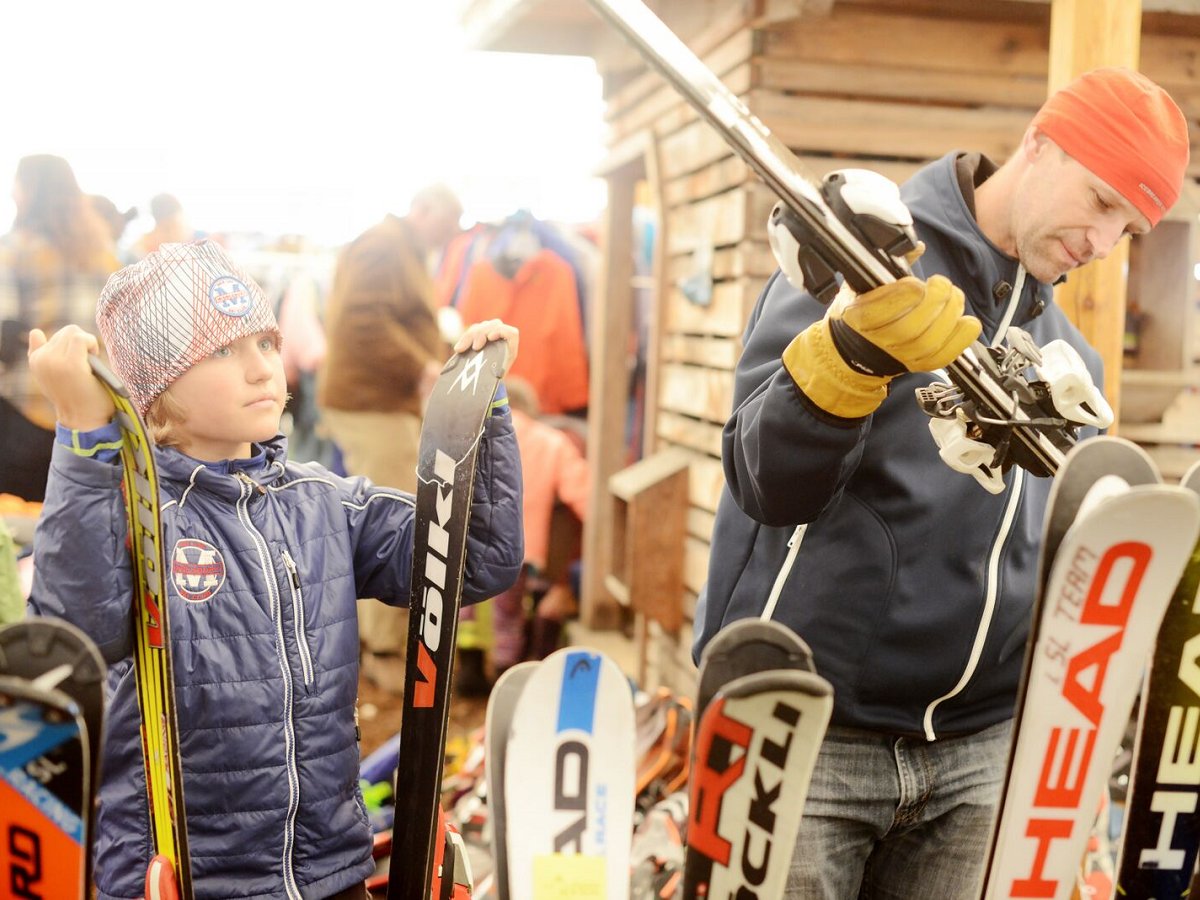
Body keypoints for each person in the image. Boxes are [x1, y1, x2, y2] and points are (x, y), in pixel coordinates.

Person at [694, 67, 1190, 898]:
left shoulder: (1074, 365)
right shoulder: (868, 264)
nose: (1104, 245)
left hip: (979, 760)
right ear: (1040, 143)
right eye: (1103, 203)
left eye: (1130, 230)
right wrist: (851, 356)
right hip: (812, 733)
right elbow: (762, 480)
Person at [26, 240, 523, 900]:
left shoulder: (326, 501)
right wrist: (83, 436)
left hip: (329, 872)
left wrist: (480, 409)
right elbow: (77, 634)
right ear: (159, 388)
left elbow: (478, 559)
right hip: (187, 881)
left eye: (265, 343)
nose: (263, 369)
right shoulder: (131, 514)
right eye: (223, 352)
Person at [317, 183, 463, 693]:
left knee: (396, 516)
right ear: (423, 212)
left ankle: (384, 647)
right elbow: (362, 320)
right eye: (446, 224)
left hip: (381, 401)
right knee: (396, 520)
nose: (448, 236)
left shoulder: (398, 248)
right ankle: (381, 654)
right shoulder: (385, 246)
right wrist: (421, 364)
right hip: (372, 403)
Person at [0, 154, 120, 500]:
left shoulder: (13, 251)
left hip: (24, 416)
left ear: (27, 191)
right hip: (94, 415)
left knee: (19, 528)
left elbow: (4, 340)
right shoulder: (103, 254)